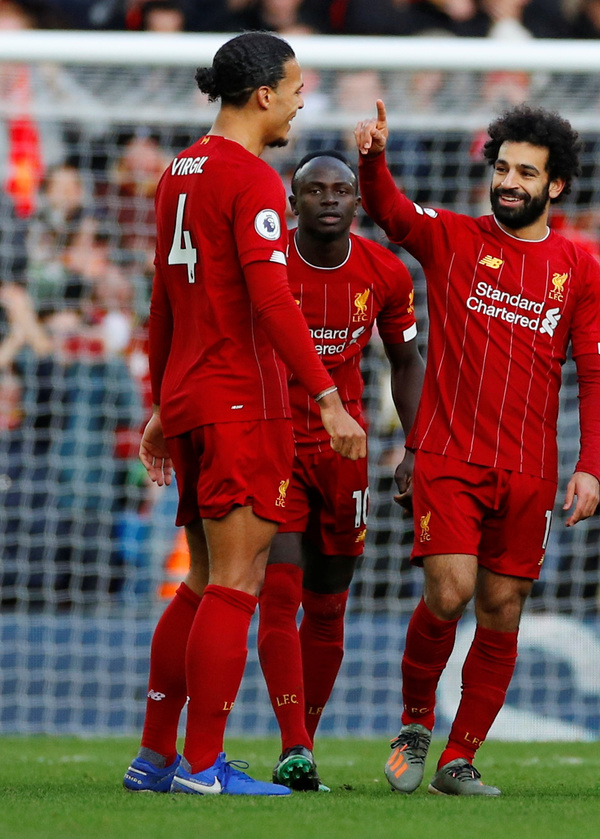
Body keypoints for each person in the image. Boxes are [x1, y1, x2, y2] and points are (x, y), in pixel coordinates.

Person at [122, 32, 366, 797]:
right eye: (295, 90)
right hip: (241, 402)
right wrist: (327, 396)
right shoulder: (253, 178)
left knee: (201, 579)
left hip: (192, 397)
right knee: (236, 580)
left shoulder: (177, 172)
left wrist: (161, 401)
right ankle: (203, 765)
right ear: (263, 94)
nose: (299, 103)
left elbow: (162, 300)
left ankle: (155, 755)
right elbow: (271, 300)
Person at [354, 100, 600, 796]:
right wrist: (373, 158)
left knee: (502, 608)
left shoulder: (578, 267)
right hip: (449, 455)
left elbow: (596, 374)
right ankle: (415, 722)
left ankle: (458, 757)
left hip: (529, 470)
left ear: (556, 184)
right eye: (502, 168)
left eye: (526, 172)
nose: (509, 181)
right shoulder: (453, 238)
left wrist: (591, 467)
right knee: (450, 589)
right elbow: (389, 211)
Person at [255, 151, 425, 792]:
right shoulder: (265, 263)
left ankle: (304, 740)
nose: (329, 199)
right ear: (292, 203)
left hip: (344, 455)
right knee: (279, 595)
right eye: (315, 189)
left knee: (327, 607)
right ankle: (294, 748)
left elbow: (406, 361)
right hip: (273, 445)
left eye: (342, 190)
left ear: (357, 202)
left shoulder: (385, 270)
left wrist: (416, 448)